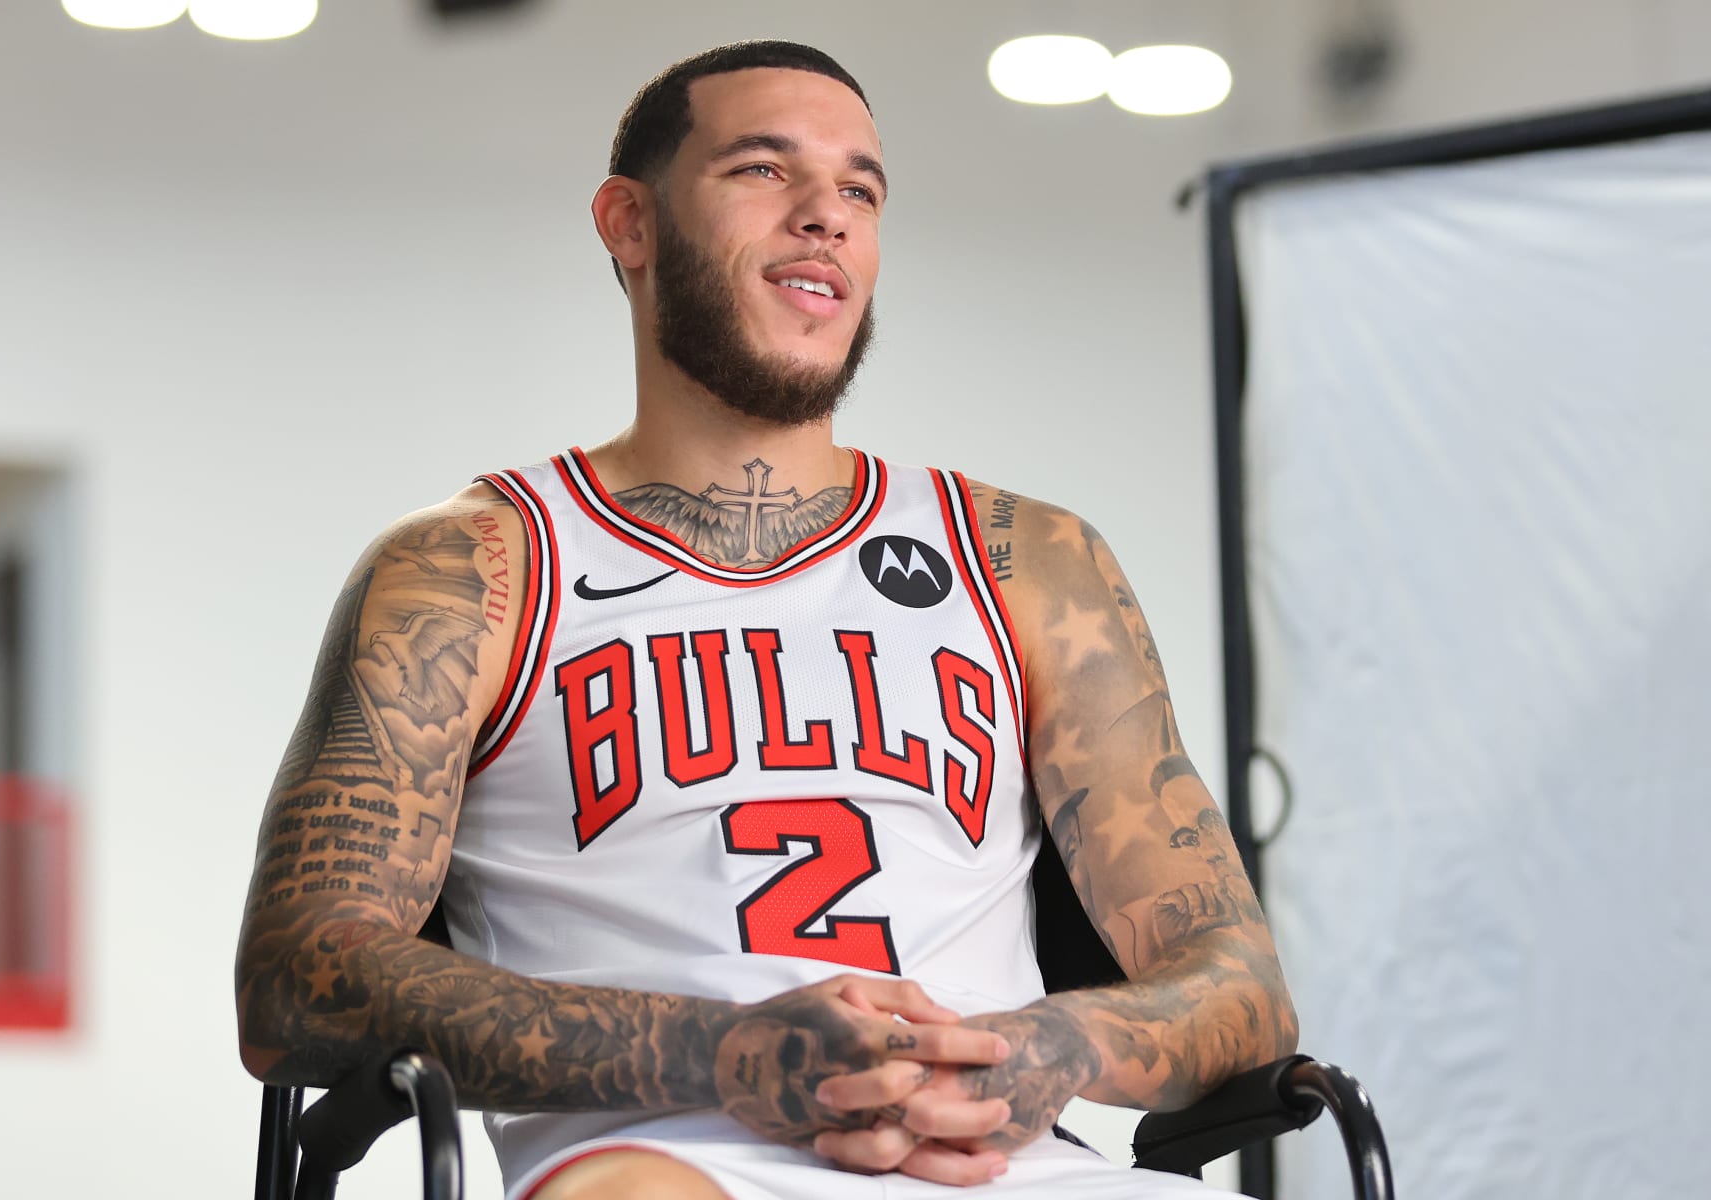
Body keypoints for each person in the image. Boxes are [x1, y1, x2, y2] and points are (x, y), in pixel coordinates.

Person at [234, 40, 1297, 1200]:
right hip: (666, 1157)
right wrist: (725, 1053)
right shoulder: (472, 567)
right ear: (629, 225)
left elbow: (1239, 982)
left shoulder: (1028, 562)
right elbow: (295, 978)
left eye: (859, 190)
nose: (824, 218)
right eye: (762, 171)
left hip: (1005, 1164)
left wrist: (1049, 1051)